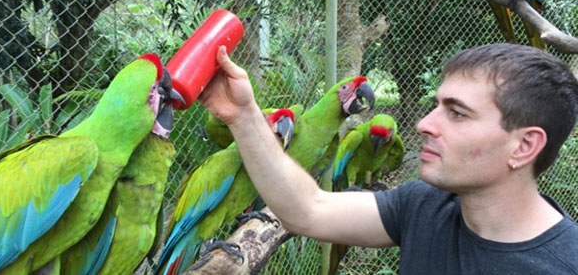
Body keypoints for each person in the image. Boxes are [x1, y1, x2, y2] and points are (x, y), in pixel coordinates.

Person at [198, 43, 578, 274]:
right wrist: (244, 115)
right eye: (435, 106)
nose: (423, 124)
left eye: (457, 112)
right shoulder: (424, 206)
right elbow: (308, 209)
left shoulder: (564, 264)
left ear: (524, 147)